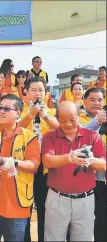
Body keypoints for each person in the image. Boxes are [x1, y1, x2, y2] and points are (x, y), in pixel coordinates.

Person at [0, 94, 40, 241]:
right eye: (0, 108)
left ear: (18, 113)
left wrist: (13, 163)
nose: (1, 111)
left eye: (6, 108)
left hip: (17, 206)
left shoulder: (29, 136)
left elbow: (34, 165)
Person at [42, 101, 106, 241]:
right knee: (53, 238)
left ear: (79, 116)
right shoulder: (50, 136)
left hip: (85, 199)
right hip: (57, 198)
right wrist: (69, 157)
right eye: (63, 121)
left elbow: (103, 165)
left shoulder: (92, 136)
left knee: (83, 238)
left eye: (73, 119)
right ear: (57, 119)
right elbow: (47, 160)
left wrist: (90, 160)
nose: (68, 124)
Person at [18, 76, 58, 242]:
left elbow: (61, 129)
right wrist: (30, 115)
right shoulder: (19, 110)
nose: (37, 93)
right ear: (25, 93)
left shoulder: (52, 112)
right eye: (33, 90)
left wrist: (45, 116)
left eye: (41, 90)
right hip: (24, 165)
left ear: (46, 93)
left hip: (46, 167)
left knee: (44, 207)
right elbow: (15, 129)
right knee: (24, 206)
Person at [78, 88, 107, 242]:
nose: (97, 103)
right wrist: (96, 121)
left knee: (103, 220)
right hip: (85, 179)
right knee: (82, 222)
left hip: (103, 179)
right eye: (92, 99)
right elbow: (78, 136)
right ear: (84, 100)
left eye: (100, 100)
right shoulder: (76, 117)